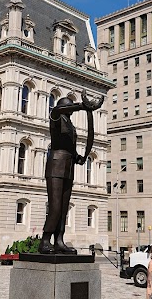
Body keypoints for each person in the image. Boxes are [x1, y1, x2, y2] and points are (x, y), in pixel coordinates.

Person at [39, 92, 104, 255]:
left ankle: (59, 240)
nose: (72, 111)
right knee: (55, 207)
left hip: (68, 166)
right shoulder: (55, 117)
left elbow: (70, 146)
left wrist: (78, 157)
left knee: (63, 208)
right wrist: (83, 106)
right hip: (56, 166)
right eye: (70, 108)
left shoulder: (70, 125)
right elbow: (58, 111)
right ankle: (45, 240)